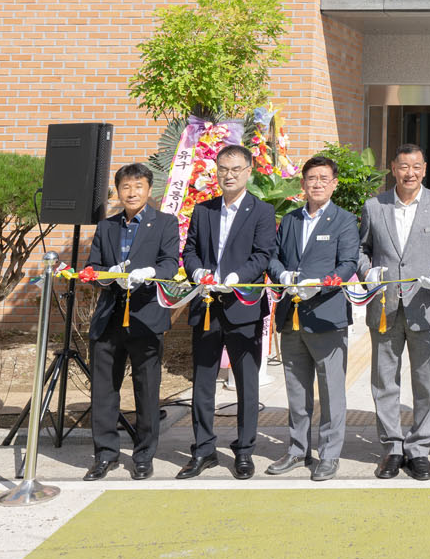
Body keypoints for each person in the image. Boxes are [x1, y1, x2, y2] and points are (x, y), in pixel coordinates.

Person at [358, 142, 430, 481]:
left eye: (416, 166)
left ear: (425, 169)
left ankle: (419, 449)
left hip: (425, 306)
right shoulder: (374, 206)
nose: (410, 173)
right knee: (384, 381)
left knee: (426, 383)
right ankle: (392, 447)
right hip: (385, 307)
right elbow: (361, 249)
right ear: (393, 168)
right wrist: (367, 272)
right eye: (404, 166)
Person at [176, 144, 278, 480]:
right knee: (203, 382)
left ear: (249, 171)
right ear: (216, 171)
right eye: (223, 169)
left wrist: (236, 278)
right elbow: (190, 250)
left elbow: (262, 255)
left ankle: (244, 450)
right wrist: (197, 272)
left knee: (247, 383)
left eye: (235, 169)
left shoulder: (261, 211)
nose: (228, 175)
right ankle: (203, 450)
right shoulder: (204, 210)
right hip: (207, 306)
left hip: (243, 307)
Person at [84, 162, 180, 481]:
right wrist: (106, 276)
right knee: (104, 390)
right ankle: (105, 454)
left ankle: (144, 455)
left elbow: (170, 264)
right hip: (108, 318)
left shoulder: (165, 223)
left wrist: (151, 273)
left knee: (147, 389)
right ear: (118, 191)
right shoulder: (107, 226)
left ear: (148, 190)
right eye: (125, 187)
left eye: (138, 186)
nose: (132, 192)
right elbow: (93, 267)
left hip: (146, 317)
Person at [268, 154, 361, 481]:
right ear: (303, 183)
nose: (317, 184)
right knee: (296, 389)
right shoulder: (290, 220)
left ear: (334, 184)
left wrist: (320, 285)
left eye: (324, 178)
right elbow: (274, 257)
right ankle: (297, 450)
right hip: (291, 315)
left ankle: (330, 454)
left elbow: (348, 263)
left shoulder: (344, 220)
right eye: (311, 178)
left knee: (332, 390)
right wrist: (283, 276)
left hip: (326, 316)